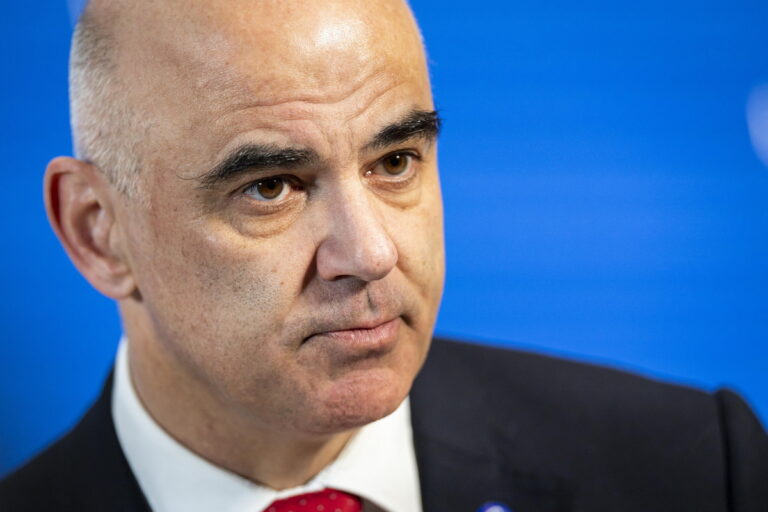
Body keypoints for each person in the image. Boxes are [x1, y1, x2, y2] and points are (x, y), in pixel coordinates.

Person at [1, 0, 766, 511]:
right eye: (270, 187)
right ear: (98, 231)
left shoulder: (696, 471)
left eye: (395, 162)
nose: (369, 253)